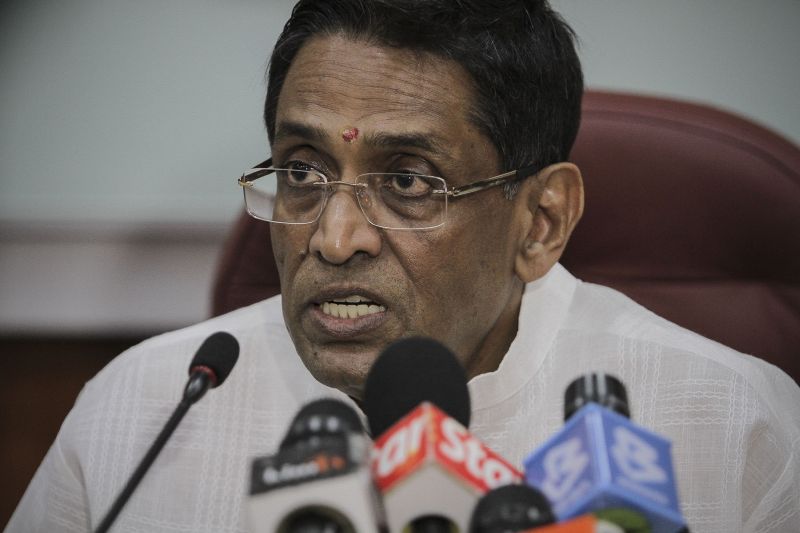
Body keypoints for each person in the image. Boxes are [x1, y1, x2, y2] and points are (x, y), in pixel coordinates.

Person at [7, 1, 799, 532]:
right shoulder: (142, 412)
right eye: (304, 171)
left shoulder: (736, 425)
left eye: (411, 181)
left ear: (541, 219)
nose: (334, 237)